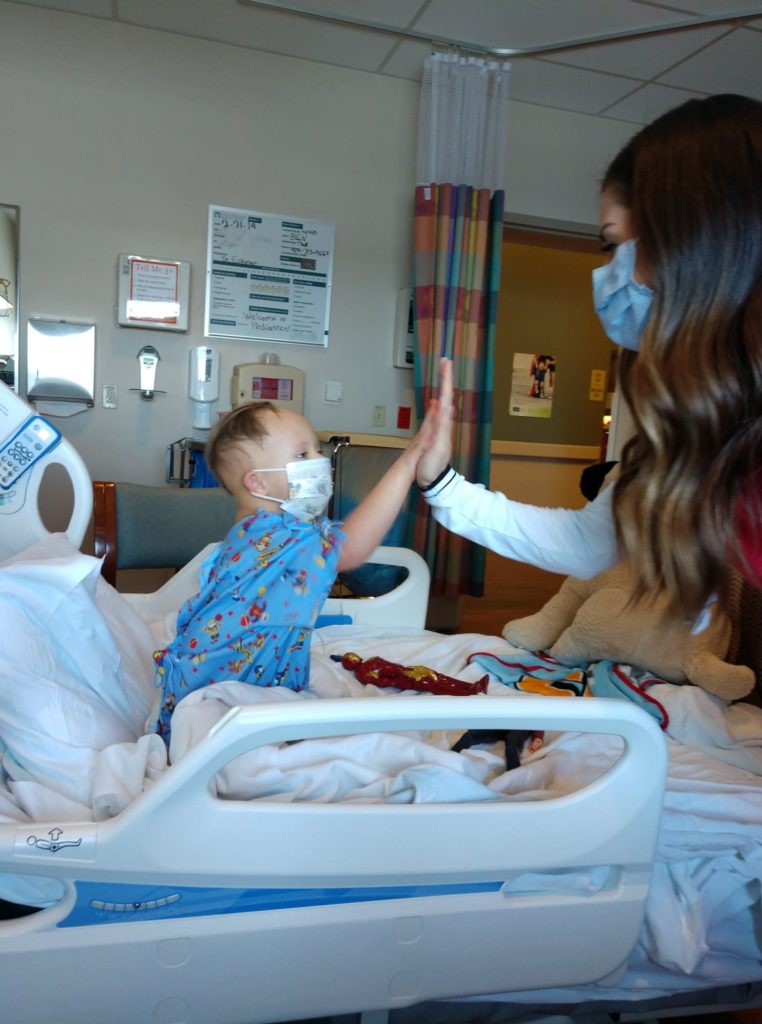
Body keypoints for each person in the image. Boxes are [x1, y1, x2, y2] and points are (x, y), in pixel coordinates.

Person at [417, 94, 762, 628]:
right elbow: (589, 543)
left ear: (704, 244)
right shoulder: (690, 427)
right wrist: (442, 482)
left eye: (618, 247)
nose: (610, 278)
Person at [152, 397, 440, 744]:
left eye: (317, 450)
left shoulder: (252, 529)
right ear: (258, 483)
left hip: (196, 677)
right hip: (218, 690)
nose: (321, 461)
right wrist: (408, 464)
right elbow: (351, 549)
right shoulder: (281, 537)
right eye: (302, 455)